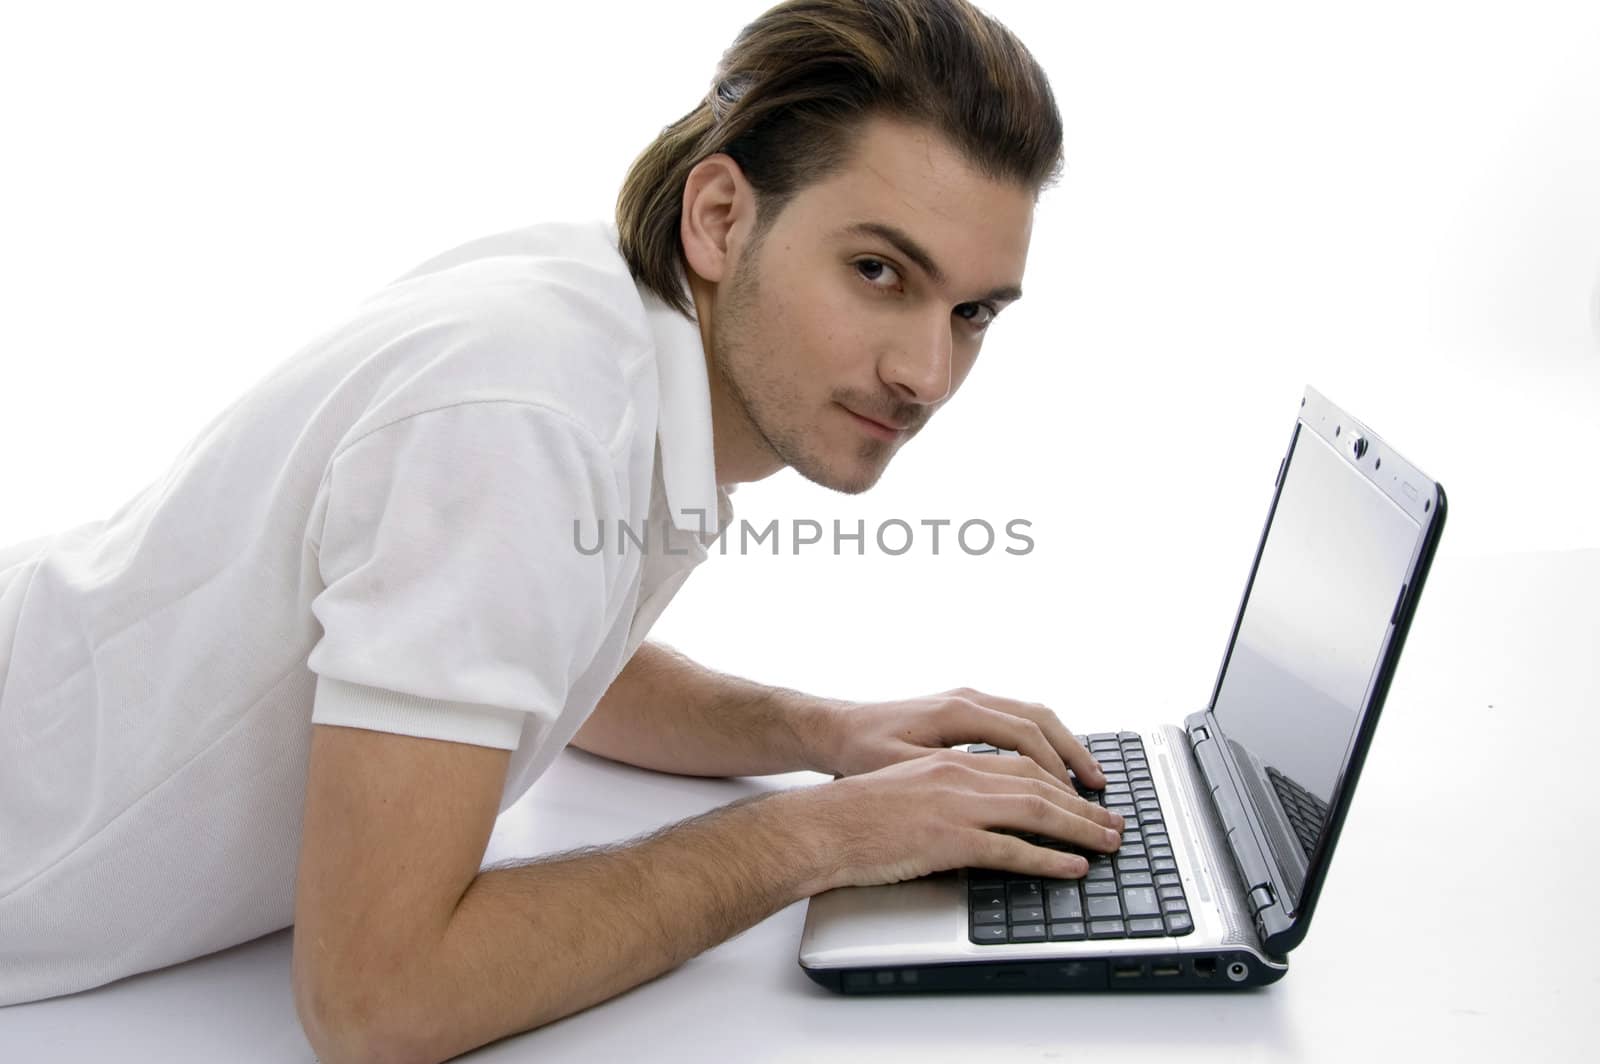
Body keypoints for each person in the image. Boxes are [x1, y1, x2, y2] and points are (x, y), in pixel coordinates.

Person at [0, 0, 1127, 1057]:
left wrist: (822, 730)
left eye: (972, 313)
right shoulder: (526, 416)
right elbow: (375, 999)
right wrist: (824, 835)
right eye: (877, 272)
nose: (926, 373)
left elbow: (527, 647)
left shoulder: (604, 331)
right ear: (721, 216)